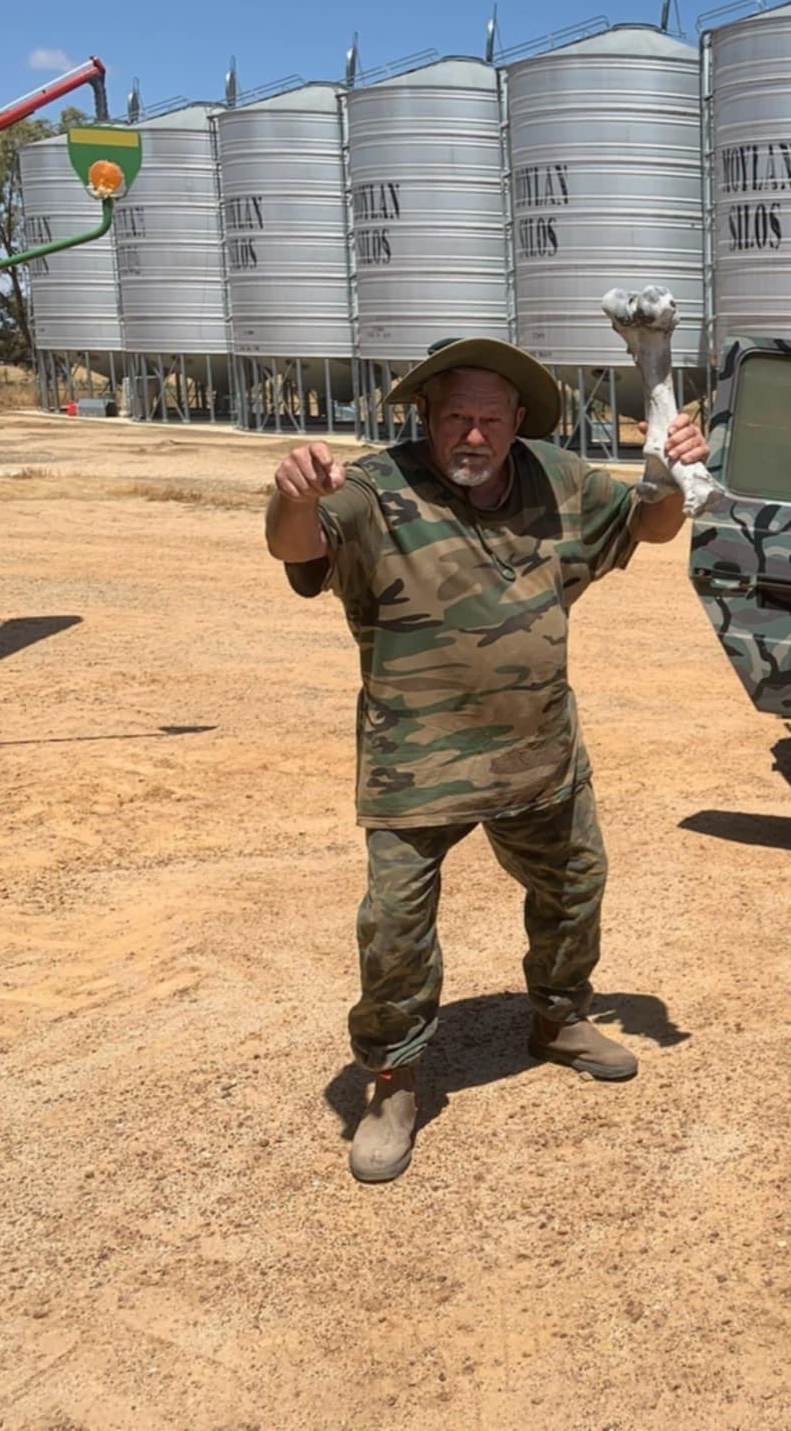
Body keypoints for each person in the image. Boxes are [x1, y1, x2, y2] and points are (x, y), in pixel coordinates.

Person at [264, 338, 707, 1183]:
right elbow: (298, 548)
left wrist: (668, 473)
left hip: (538, 753)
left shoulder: (559, 478)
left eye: (491, 420)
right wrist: (292, 495)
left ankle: (559, 1018)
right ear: (426, 414)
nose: (473, 435)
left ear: (518, 421)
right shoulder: (373, 488)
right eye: (457, 417)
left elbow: (646, 526)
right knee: (394, 927)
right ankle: (392, 1081)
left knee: (575, 886)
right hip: (415, 765)